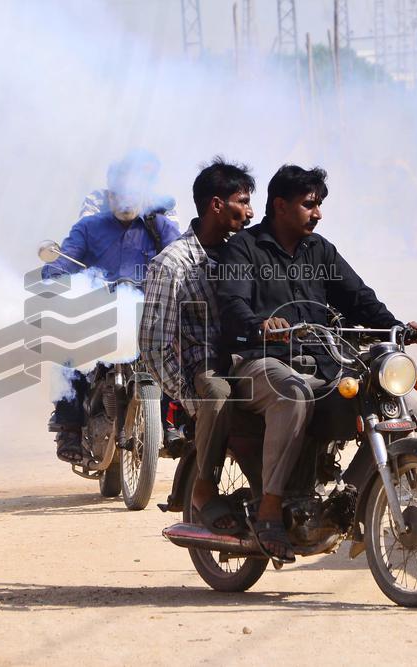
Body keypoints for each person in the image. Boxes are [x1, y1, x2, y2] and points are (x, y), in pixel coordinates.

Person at [216, 164, 417, 562]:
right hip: (261, 362)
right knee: (292, 393)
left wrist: (396, 326)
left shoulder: (320, 250)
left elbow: (359, 298)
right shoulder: (243, 248)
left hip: (322, 362)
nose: (318, 213)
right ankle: (268, 511)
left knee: (404, 405)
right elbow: (232, 305)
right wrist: (262, 324)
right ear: (280, 205)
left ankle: (346, 498)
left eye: (319, 205)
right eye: (309, 204)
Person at [139, 158, 255, 534]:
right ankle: (205, 489)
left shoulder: (247, 253)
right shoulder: (172, 263)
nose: (250, 211)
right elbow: (154, 342)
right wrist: (191, 399)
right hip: (207, 364)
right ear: (216, 205)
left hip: (251, 357)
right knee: (218, 395)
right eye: (243, 201)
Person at [44, 153, 181, 464]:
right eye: (121, 191)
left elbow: (181, 257)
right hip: (99, 308)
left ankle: (173, 421)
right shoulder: (89, 226)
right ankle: (68, 424)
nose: (127, 199)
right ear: (109, 193)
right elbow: (67, 257)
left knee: (178, 345)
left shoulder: (161, 226)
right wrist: (55, 273)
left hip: (146, 310)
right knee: (68, 339)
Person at [79, 149, 179, 225]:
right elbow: (85, 231)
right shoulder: (98, 199)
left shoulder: (164, 206)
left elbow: (174, 243)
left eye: (148, 177)